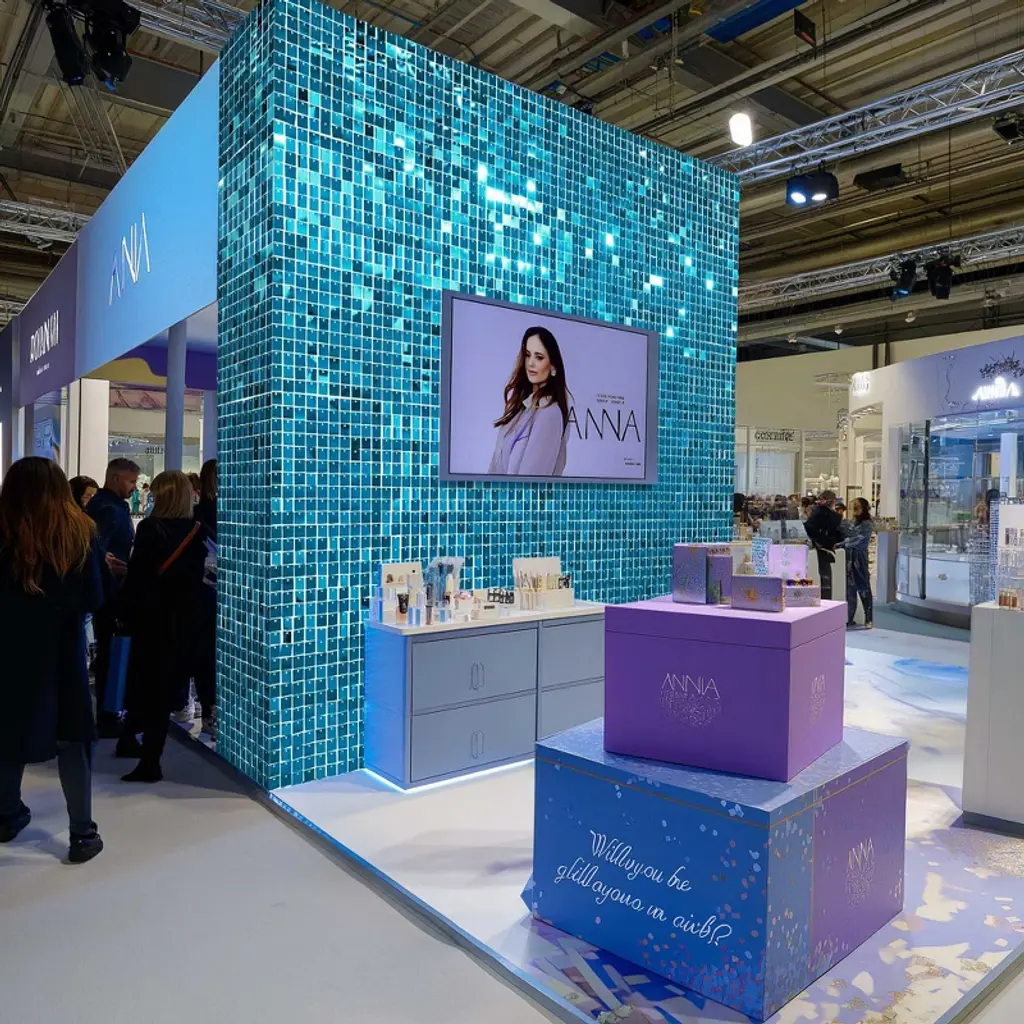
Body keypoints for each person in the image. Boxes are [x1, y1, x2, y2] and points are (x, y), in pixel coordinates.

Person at [0, 458, 104, 862]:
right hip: (62, 653)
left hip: (9, 651)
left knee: (7, 734)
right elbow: (93, 597)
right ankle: (82, 834)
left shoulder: (4, 532)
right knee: (72, 739)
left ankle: (7, 815)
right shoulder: (80, 533)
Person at [116, 471, 207, 782]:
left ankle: (147, 758)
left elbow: (140, 578)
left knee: (147, 685)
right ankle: (140, 747)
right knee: (163, 690)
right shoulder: (198, 530)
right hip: (186, 620)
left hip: (152, 620)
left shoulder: (151, 528)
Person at [86, 458, 140, 737]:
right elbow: (96, 549)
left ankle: (110, 712)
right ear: (116, 478)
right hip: (111, 593)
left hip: (109, 591)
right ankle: (109, 715)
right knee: (111, 653)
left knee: (109, 653)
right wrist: (107, 564)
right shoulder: (108, 509)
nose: (134, 487)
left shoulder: (105, 506)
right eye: (131, 481)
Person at [489, 326, 570, 476]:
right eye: (527, 355)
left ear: (553, 365)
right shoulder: (522, 408)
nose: (531, 363)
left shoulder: (549, 413)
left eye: (539, 357)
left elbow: (532, 481)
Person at [193, 459, 218, 737]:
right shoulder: (236, 511)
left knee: (206, 653)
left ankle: (209, 708)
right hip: (218, 592)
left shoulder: (197, 514)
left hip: (204, 591)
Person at [839, 497, 875, 629]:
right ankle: (849, 618)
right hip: (848, 557)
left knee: (864, 587)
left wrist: (840, 544)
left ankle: (869, 618)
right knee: (850, 589)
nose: (854, 508)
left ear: (864, 508)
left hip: (859, 559)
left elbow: (855, 539)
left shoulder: (867, 524)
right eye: (853, 506)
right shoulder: (849, 522)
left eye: (857, 506)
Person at [804, 490, 844, 600]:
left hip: (820, 547)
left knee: (823, 576)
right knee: (826, 576)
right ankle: (826, 600)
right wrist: (829, 542)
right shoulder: (833, 516)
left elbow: (809, 527)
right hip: (826, 548)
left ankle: (824, 599)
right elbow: (838, 533)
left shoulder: (817, 512)